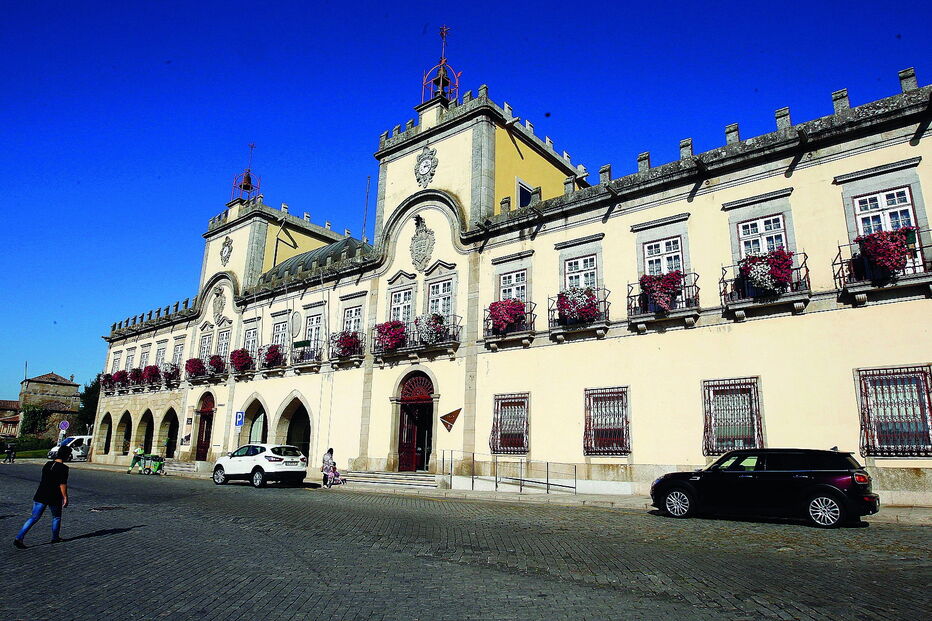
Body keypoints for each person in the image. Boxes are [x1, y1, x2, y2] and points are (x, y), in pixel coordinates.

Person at [13, 444, 71, 548]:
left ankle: (19, 537)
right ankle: (55, 537)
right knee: (56, 517)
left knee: (34, 518)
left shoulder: (48, 464)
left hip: (41, 493)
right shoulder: (64, 468)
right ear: (66, 455)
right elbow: (62, 484)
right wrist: (65, 497)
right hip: (54, 495)